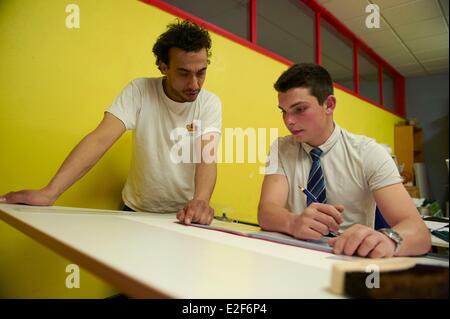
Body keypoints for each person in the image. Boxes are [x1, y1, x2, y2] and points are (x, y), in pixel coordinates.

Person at [0, 20, 222, 226]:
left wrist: (201, 201)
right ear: (163, 67)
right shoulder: (139, 91)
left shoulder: (209, 103)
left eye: (201, 73)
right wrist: (50, 192)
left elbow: (207, 157)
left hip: (183, 215)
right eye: (183, 73)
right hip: (135, 210)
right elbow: (100, 139)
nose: (194, 84)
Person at [258, 63, 431, 258]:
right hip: (295, 256)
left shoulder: (369, 153)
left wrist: (389, 240)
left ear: (329, 105)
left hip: (349, 258)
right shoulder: (281, 148)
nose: (288, 120)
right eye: (283, 111)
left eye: (299, 109)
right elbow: (266, 211)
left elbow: (419, 233)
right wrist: (293, 222)